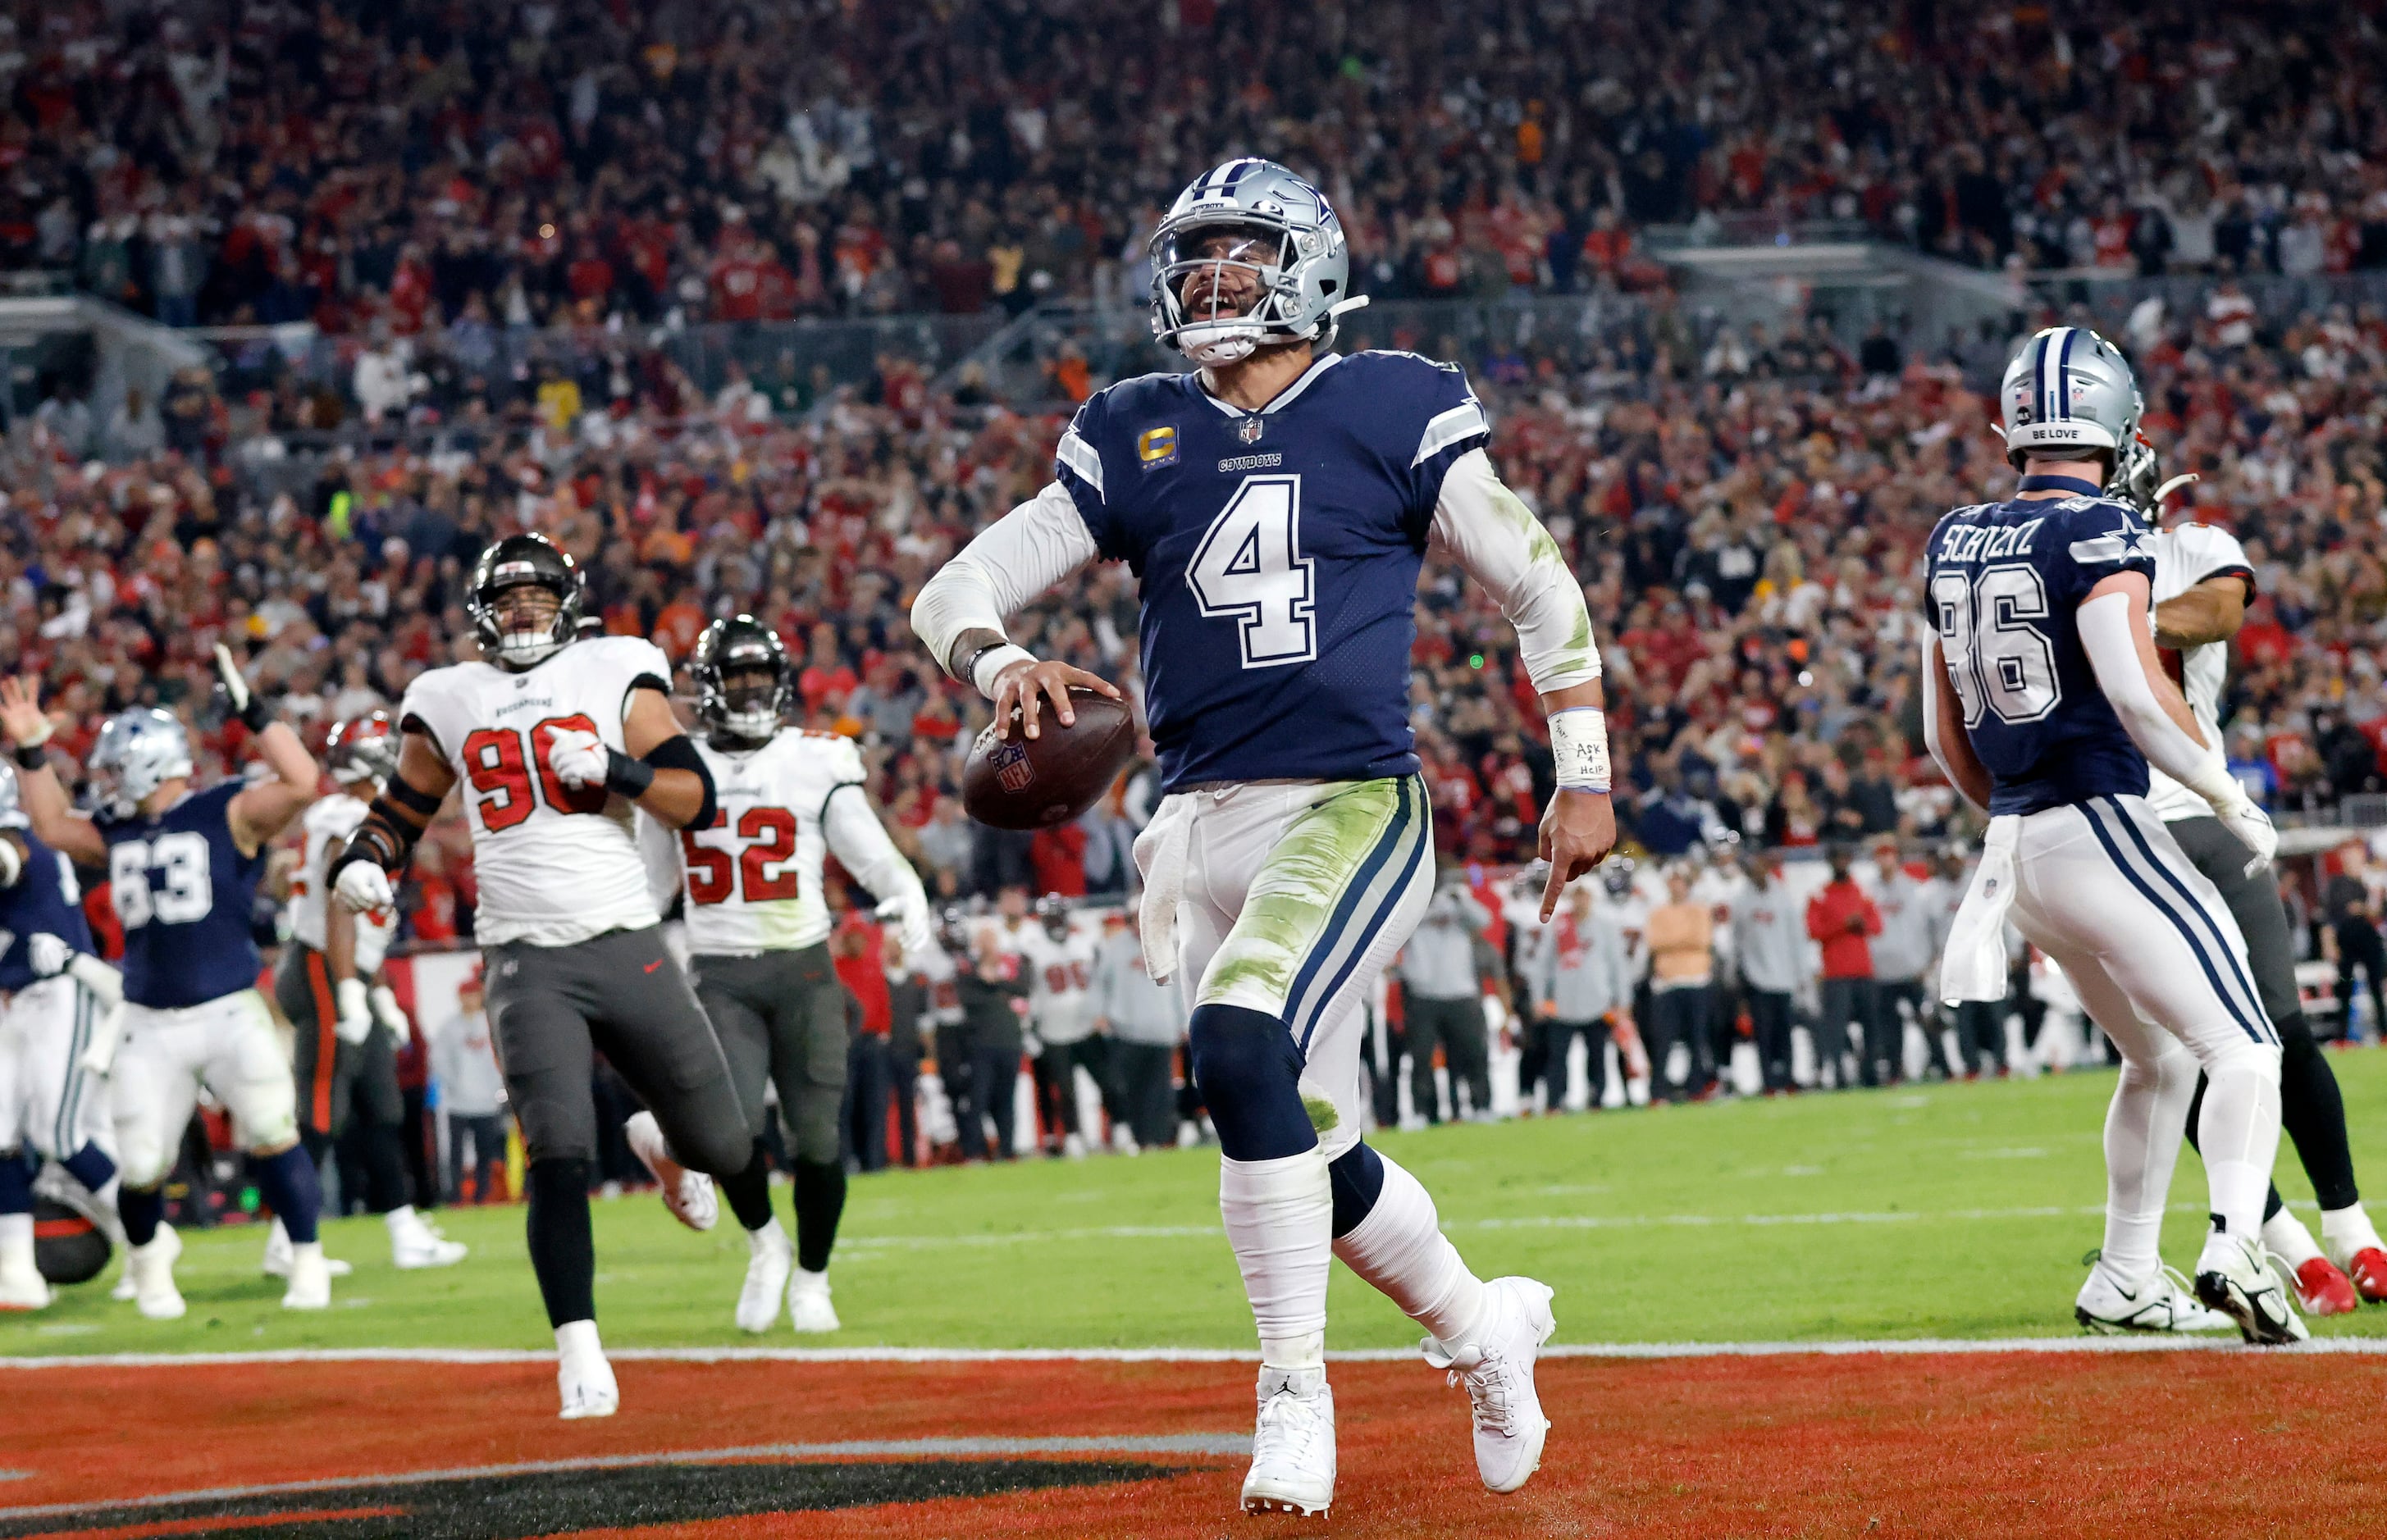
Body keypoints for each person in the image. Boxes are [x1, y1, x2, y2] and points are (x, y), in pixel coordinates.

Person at [911, 157, 1613, 1515]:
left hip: (1347, 801)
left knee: (1239, 1046)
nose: (1211, 281)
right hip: (1190, 819)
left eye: (1240, 255)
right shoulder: (1132, 427)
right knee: (1306, 1131)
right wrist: (997, 660)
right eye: (1196, 259)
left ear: (1308, 266)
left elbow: (1537, 580)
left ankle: (1294, 1396)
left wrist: (1582, 770)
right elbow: (964, 580)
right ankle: (1483, 1333)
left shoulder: (1393, 399)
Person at [325, 533, 774, 1419]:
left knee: (727, 1146)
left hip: (627, 942)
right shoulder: (447, 697)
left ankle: (661, 1145)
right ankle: (580, 1352)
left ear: (567, 601)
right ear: (481, 614)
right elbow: (402, 808)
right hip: (525, 956)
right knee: (557, 1152)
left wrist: (618, 770)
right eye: (507, 599)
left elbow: (696, 800)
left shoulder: (616, 667)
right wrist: (363, 858)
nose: (523, 611)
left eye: (537, 596)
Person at [1925, 326, 2293, 1344]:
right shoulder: (2102, 530)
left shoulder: (1953, 535)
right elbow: (2134, 697)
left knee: (2161, 1060)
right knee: (2246, 1044)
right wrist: (2226, 795)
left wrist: (2015, 819)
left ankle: (2126, 1274)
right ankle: (2234, 1247)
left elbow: (1940, 733)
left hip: (2018, 850)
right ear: (2116, 424)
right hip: (2098, 823)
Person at [1, 653, 322, 1319]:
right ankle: (149, 1268)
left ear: (152, 760)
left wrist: (257, 716)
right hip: (149, 1018)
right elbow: (56, 826)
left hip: (230, 1006)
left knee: (270, 1127)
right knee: (142, 1161)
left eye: (117, 768)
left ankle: (307, 1262)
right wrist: (32, 754)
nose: (109, 781)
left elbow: (301, 781)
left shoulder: (222, 809)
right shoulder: (117, 828)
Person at [2134, 493, 2387, 1310]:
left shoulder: (2189, 546)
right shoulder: (2046, 563)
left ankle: (2358, 1236)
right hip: (2119, 841)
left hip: (2209, 817)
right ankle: (2296, 1254)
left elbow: (2215, 609)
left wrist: (2104, 615)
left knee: (2283, 1027)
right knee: (2185, 1058)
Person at [655, 615, 933, 1334]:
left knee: (816, 1138)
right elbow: (649, 887)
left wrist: (905, 889)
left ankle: (813, 1275)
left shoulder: (813, 759)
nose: (749, 692)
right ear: (709, 689)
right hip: (720, 974)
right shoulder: (679, 765)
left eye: (759, 678)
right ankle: (764, 1243)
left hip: (803, 969)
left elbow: (866, 849)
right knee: (730, 1133)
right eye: (735, 679)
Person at [274, 711, 465, 1274]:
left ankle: (404, 1229)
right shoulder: (351, 818)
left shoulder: (359, 815)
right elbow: (340, 908)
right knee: (322, 1108)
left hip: (345, 969)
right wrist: (352, 991)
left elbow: (367, 923)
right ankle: (287, 1240)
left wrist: (375, 992)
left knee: (383, 1104)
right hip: (322, 969)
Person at [0, 764, 124, 1308]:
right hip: (19, 1002)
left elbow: (8, 861)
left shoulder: (19, 845)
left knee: (59, 1132)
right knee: (1, 1133)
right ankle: (18, 1272)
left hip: (60, 993)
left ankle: (145, 1237)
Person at [1521, 881, 1632, 1111]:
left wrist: (1623, 1001)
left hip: (1598, 1001)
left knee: (1598, 1055)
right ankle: (1555, 1100)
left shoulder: (1605, 925)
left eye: (1585, 896)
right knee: (1557, 1057)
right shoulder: (1559, 926)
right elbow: (1542, 965)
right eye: (1576, 896)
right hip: (1564, 1003)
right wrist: (1539, 999)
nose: (1580, 901)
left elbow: (1618, 965)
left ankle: (1597, 1097)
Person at [1398, 874, 1494, 1123]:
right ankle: (1421, 1113)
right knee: (1421, 1058)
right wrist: (1423, 907)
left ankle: (1482, 1106)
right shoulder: (1411, 907)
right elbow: (1396, 928)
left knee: (1474, 1053)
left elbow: (1484, 920)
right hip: (1423, 994)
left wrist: (1461, 900)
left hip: (1461, 993)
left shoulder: (1459, 907)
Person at [1090, 909, 1187, 1152]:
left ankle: (1159, 1138)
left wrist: (1182, 1021)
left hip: (1160, 1029)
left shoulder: (1168, 945)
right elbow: (1101, 983)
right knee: (1130, 1089)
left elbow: (1178, 988)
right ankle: (1136, 1137)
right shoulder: (1113, 948)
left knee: (1160, 1091)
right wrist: (1101, 1013)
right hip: (1126, 1030)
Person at [1017, 895, 1106, 1156]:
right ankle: (1072, 1136)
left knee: (1108, 1081)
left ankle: (1122, 1130)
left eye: (1059, 917)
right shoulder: (1031, 949)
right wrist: (1029, 1027)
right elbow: (1024, 992)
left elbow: (1101, 982)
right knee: (1063, 1089)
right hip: (1052, 1031)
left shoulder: (1086, 943)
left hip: (1087, 1027)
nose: (1056, 922)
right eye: (1051, 918)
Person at [1728, 854, 1805, 1093]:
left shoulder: (1783, 897)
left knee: (1784, 1032)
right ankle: (1769, 1082)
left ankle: (1789, 1077)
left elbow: (1796, 937)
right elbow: (1737, 941)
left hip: (1784, 976)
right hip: (1756, 978)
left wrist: (1801, 972)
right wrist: (1738, 974)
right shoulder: (1742, 901)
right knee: (1763, 1033)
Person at [1806, 847, 1882, 1088]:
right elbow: (1813, 930)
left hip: (1863, 969)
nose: (1841, 862)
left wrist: (1859, 924)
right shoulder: (1820, 894)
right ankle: (1838, 1075)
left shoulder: (1861, 891)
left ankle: (1870, 1072)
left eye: (1844, 857)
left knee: (1871, 1026)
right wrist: (1843, 924)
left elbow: (1877, 925)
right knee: (1836, 1030)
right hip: (1836, 972)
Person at [431, 970, 508, 1203]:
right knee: (455, 1153)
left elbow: (501, 1058)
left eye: (475, 994)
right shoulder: (449, 1028)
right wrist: (453, 1086)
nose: (471, 999)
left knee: (485, 1152)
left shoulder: (491, 1024)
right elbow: (439, 1060)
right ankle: (454, 1196)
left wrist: (496, 1088)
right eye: (467, 995)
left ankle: (482, 1195)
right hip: (458, 1102)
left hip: (486, 1102)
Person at [1641, 865, 1716, 1100]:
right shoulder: (1658, 913)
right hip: (1667, 983)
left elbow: (1702, 939)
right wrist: (1683, 940)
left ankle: (1696, 1088)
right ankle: (1659, 1091)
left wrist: (1671, 942)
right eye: (1672, 881)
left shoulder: (1700, 911)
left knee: (1697, 1039)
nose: (1676, 886)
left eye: (1680, 881)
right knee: (1663, 1040)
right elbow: (1654, 942)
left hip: (1696, 980)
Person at [952, 927, 1028, 1160]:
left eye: (991, 941)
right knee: (979, 1100)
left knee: (1006, 1100)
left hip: (1009, 1043)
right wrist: (992, 985)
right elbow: (967, 998)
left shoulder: (1009, 967)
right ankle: (975, 1152)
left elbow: (1023, 989)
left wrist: (996, 983)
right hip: (981, 1045)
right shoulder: (967, 971)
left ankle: (1007, 1150)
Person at [1869, 839, 1935, 1084]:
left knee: (1928, 1022)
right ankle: (1895, 1072)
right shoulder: (1868, 892)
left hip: (1912, 969)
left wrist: (1925, 963)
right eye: (1880, 855)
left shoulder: (1914, 889)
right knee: (1889, 1029)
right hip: (1882, 972)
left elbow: (1924, 930)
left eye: (1889, 855)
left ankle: (1942, 1065)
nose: (1885, 860)